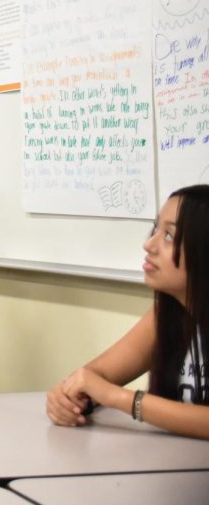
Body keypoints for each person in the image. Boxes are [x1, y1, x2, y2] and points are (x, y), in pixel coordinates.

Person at [47, 185, 209, 439]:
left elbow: (106, 389)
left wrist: (119, 398)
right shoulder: (167, 314)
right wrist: (66, 397)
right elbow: (94, 377)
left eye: (169, 236)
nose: (149, 244)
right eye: (156, 228)